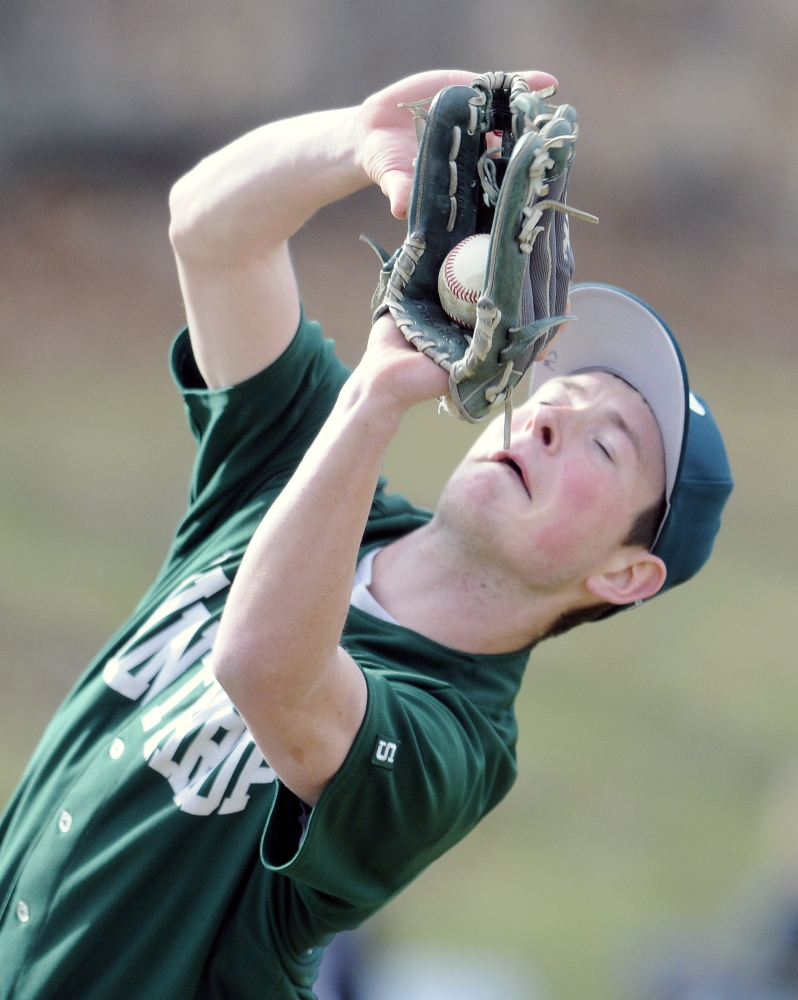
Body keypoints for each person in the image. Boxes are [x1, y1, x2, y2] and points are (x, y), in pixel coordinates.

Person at [0, 69, 733, 1000]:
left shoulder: (453, 747)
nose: (551, 419)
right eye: (559, 394)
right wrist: (355, 143)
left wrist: (376, 394)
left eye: (606, 441)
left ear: (628, 574)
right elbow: (212, 233)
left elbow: (265, 666)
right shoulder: (305, 472)